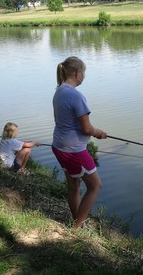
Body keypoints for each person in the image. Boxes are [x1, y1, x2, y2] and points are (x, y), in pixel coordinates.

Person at [52, 56, 107, 228]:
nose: (84, 76)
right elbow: (87, 129)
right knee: (95, 186)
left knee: (74, 185)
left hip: (59, 146)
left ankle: (77, 221)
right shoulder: (76, 96)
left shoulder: (59, 90)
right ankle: (76, 228)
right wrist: (99, 133)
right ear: (77, 73)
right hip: (74, 149)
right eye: (84, 72)